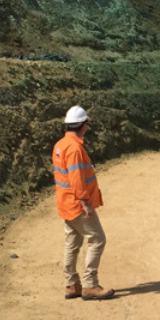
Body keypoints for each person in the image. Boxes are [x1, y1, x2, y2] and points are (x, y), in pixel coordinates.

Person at [53, 106, 115, 301]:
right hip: (77, 204)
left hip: (65, 203)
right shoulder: (74, 148)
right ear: (83, 125)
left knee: (72, 243)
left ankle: (71, 285)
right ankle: (90, 285)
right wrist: (85, 202)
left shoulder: (61, 144)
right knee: (97, 239)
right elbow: (76, 177)